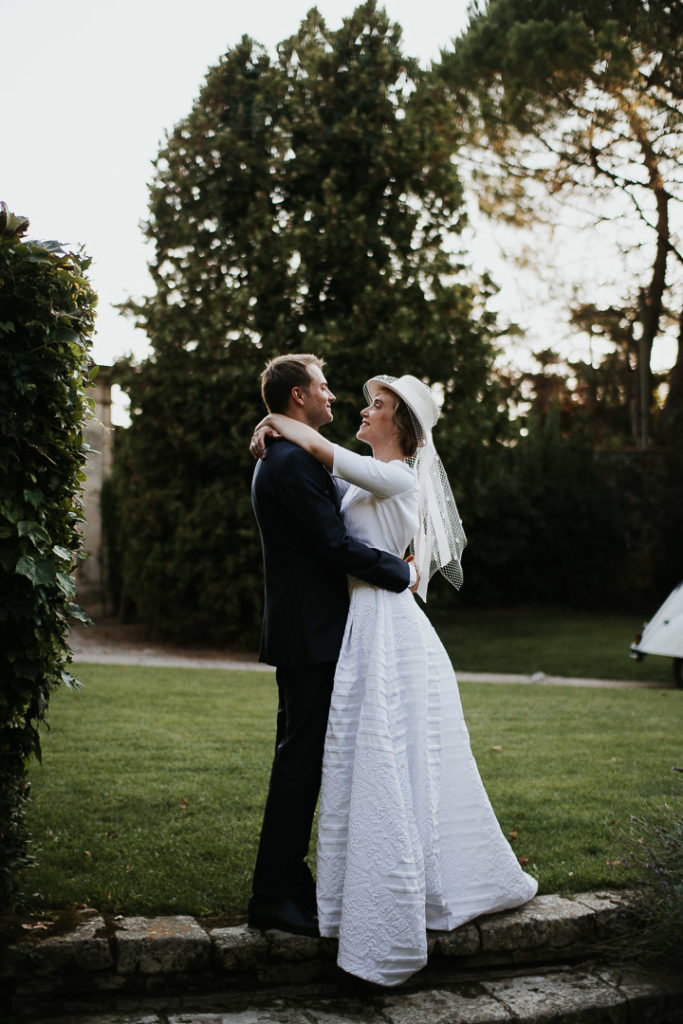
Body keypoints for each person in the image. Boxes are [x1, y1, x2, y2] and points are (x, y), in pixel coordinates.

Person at [254, 372, 538, 986]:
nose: (361, 408)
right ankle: (335, 880)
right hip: (355, 624)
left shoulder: (400, 474)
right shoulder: (355, 467)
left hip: (384, 623)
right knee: (353, 755)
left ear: (401, 425)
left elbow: (324, 459)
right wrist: (274, 426)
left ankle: (411, 876)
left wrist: (280, 422)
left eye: (375, 405)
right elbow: (323, 482)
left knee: (394, 750)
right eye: (361, 401)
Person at [248, 355, 417, 939]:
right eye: (323, 387)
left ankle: (289, 882)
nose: (334, 397)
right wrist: (400, 573)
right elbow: (334, 547)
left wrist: (272, 424)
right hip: (311, 635)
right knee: (299, 764)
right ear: (298, 396)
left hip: (311, 632)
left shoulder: (293, 453)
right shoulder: (291, 463)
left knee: (302, 761)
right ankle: (272, 894)